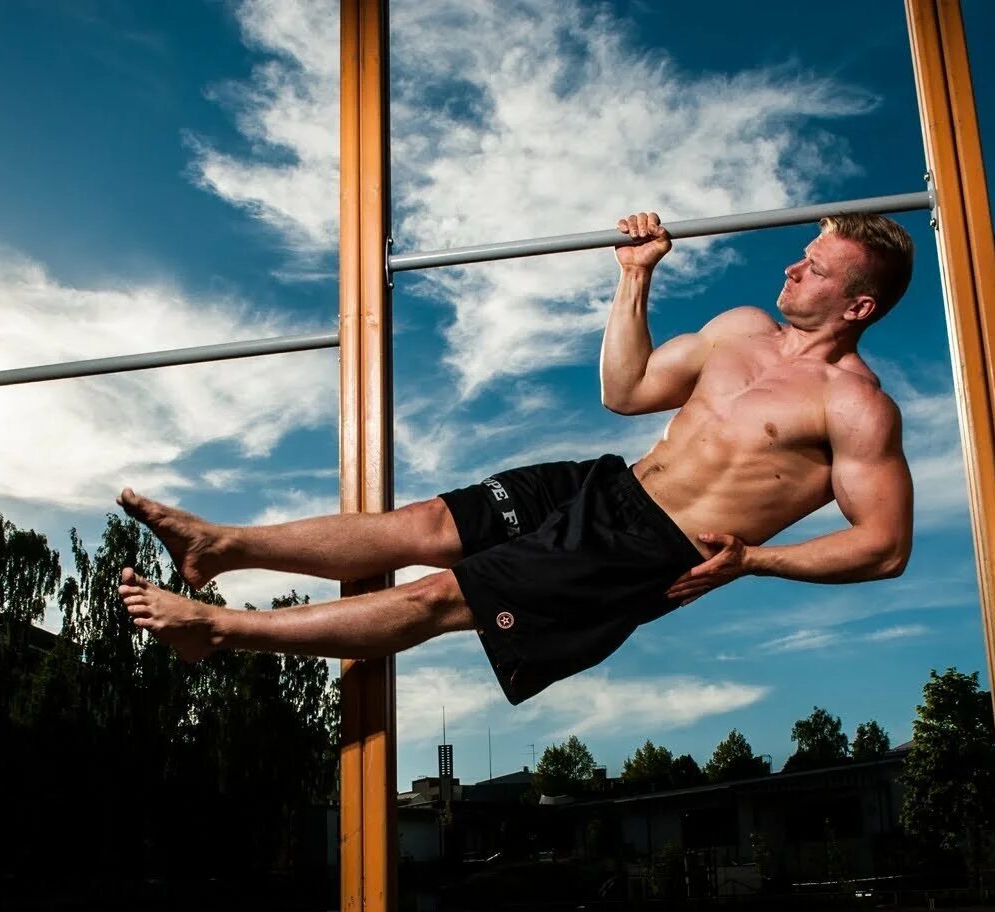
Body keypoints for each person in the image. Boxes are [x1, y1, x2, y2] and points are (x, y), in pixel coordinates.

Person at [117, 209, 915, 704]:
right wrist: (634, 280)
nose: (792, 266)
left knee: (439, 597)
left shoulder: (854, 404)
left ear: (859, 304)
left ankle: (215, 631)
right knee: (427, 524)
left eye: (816, 265)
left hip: (642, 550)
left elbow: (882, 547)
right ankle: (221, 548)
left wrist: (755, 562)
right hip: (607, 483)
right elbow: (627, 389)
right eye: (802, 252)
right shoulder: (739, 327)